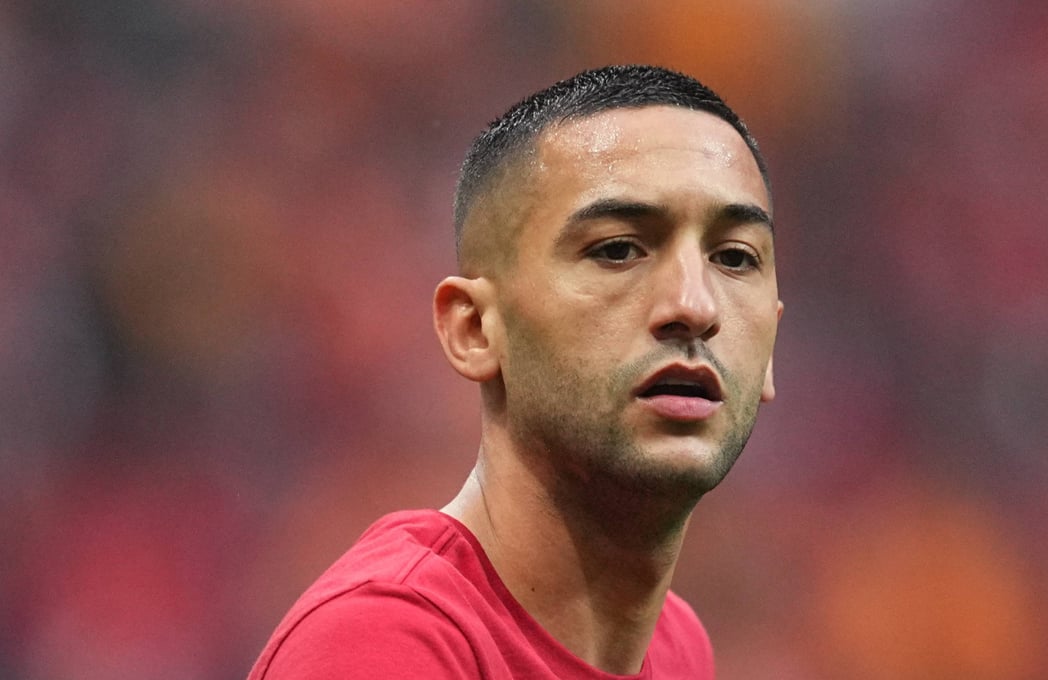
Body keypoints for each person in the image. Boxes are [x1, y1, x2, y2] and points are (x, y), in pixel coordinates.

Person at [248, 64, 782, 679]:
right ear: (475, 328)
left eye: (734, 257)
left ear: (771, 344)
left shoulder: (677, 649)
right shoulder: (380, 647)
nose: (695, 306)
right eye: (617, 249)